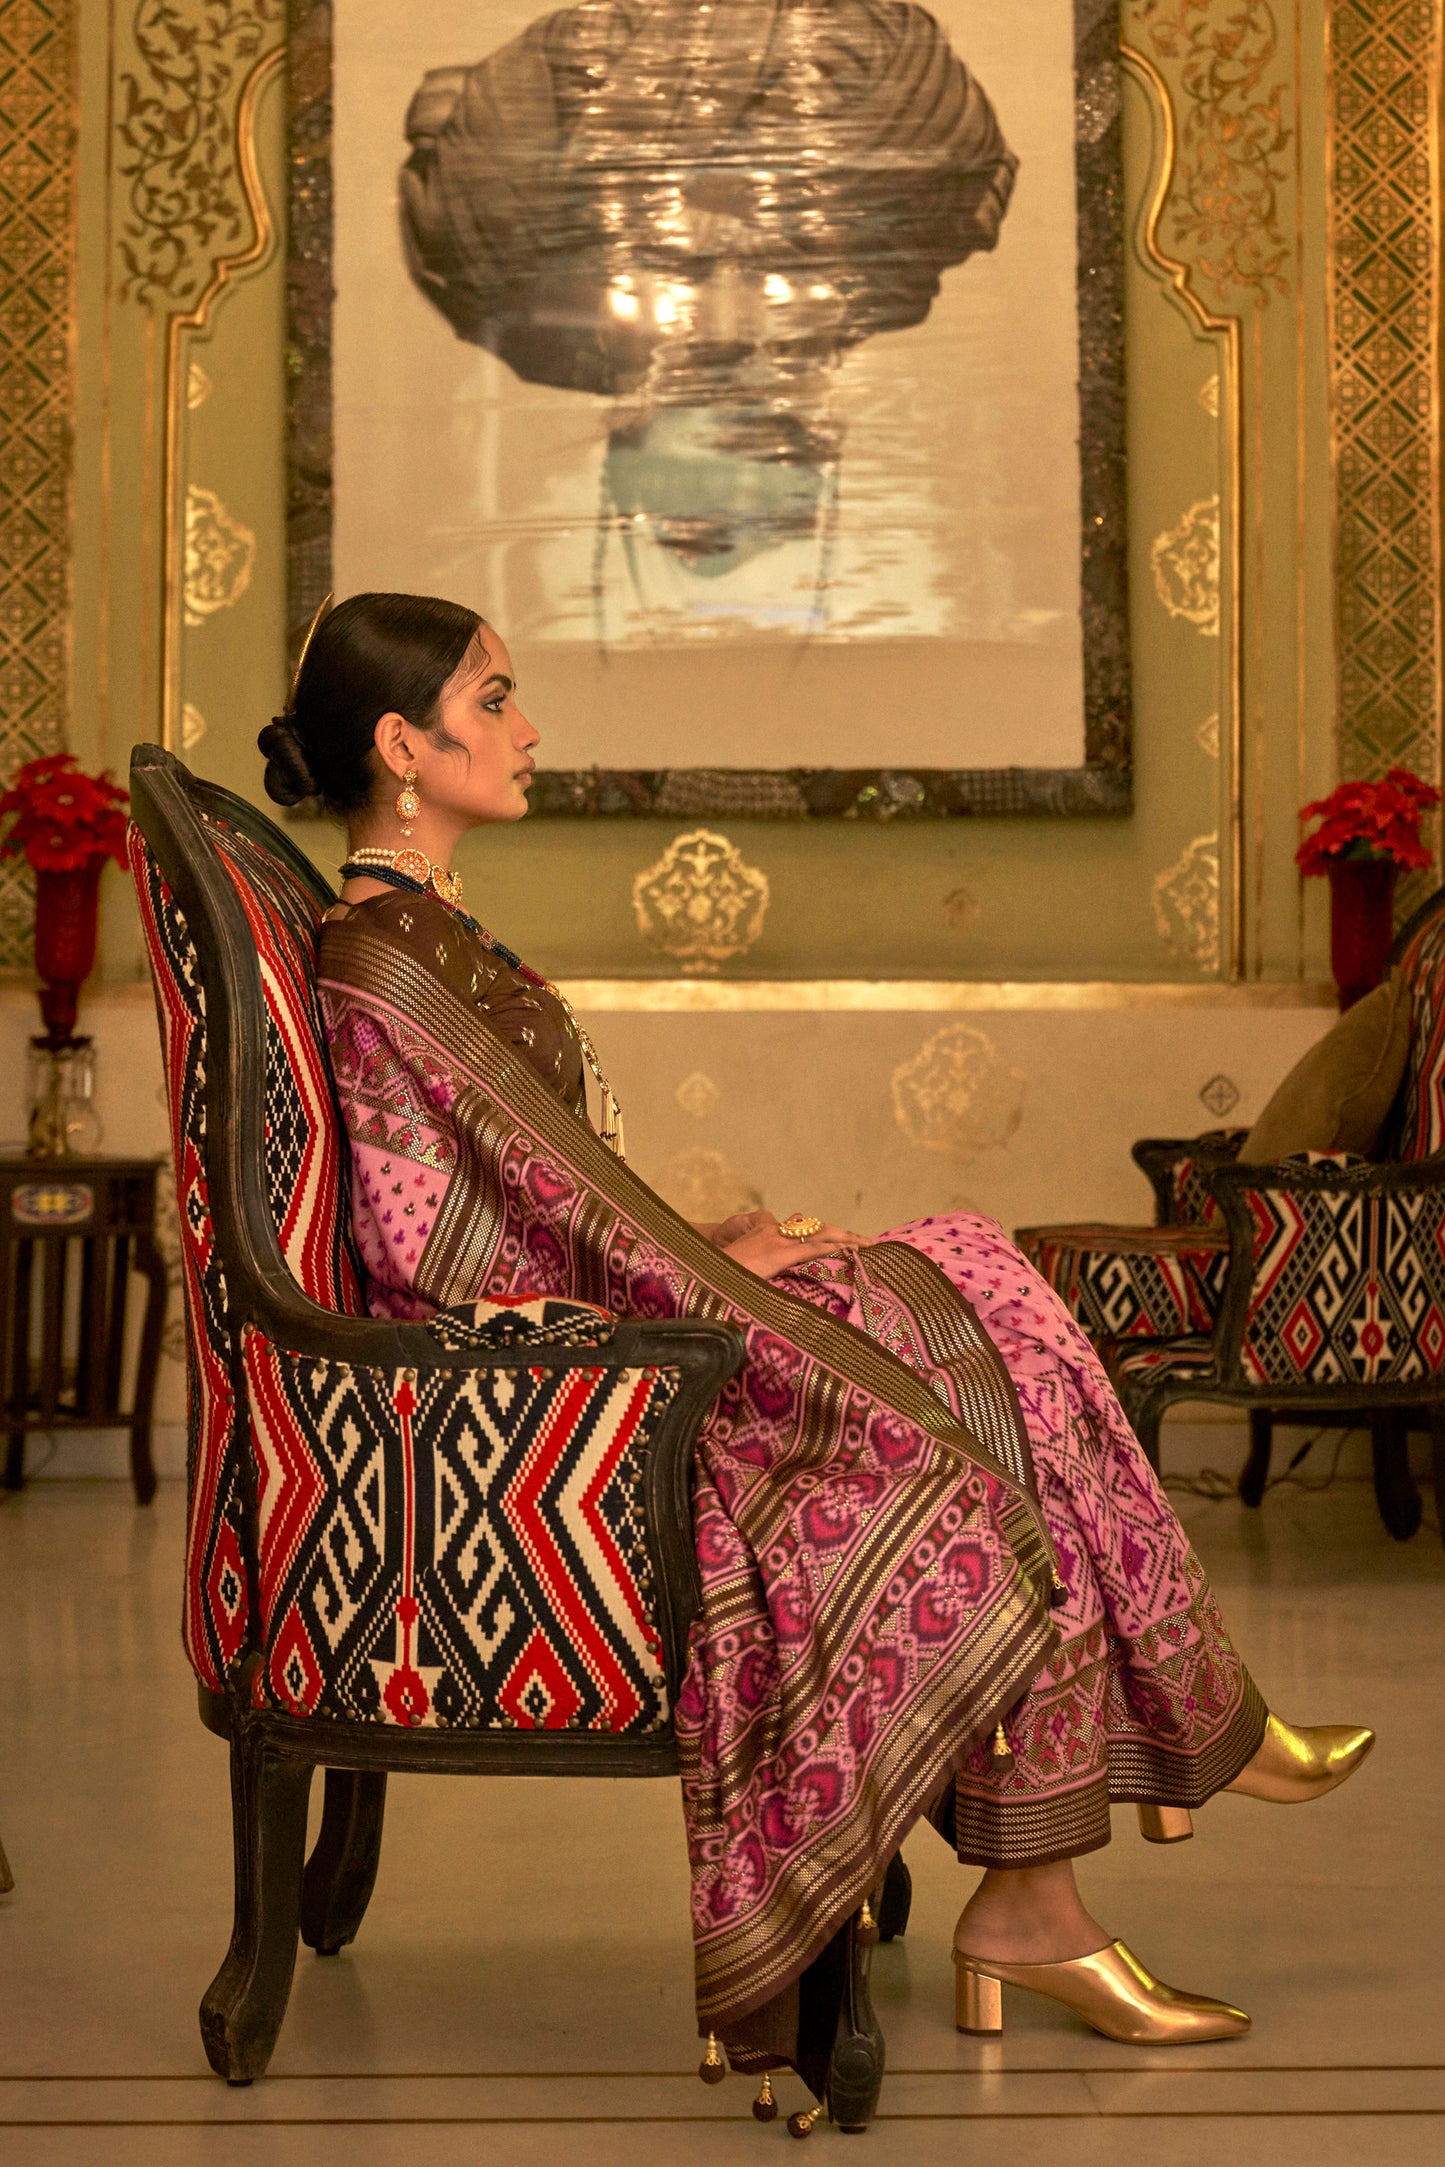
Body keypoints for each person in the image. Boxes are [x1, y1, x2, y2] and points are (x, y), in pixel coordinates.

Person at [258, 592, 1373, 2087]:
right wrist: (709, 1275)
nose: (530, 729)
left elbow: (544, 1181)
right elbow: (436, 1241)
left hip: (621, 1315)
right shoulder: (381, 959)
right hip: (553, 1386)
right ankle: (1103, 1830)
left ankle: (1064, 1873)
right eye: (498, 698)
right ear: (405, 743)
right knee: (957, 1401)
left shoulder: (431, 936)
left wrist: (713, 1247)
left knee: (973, 1273)